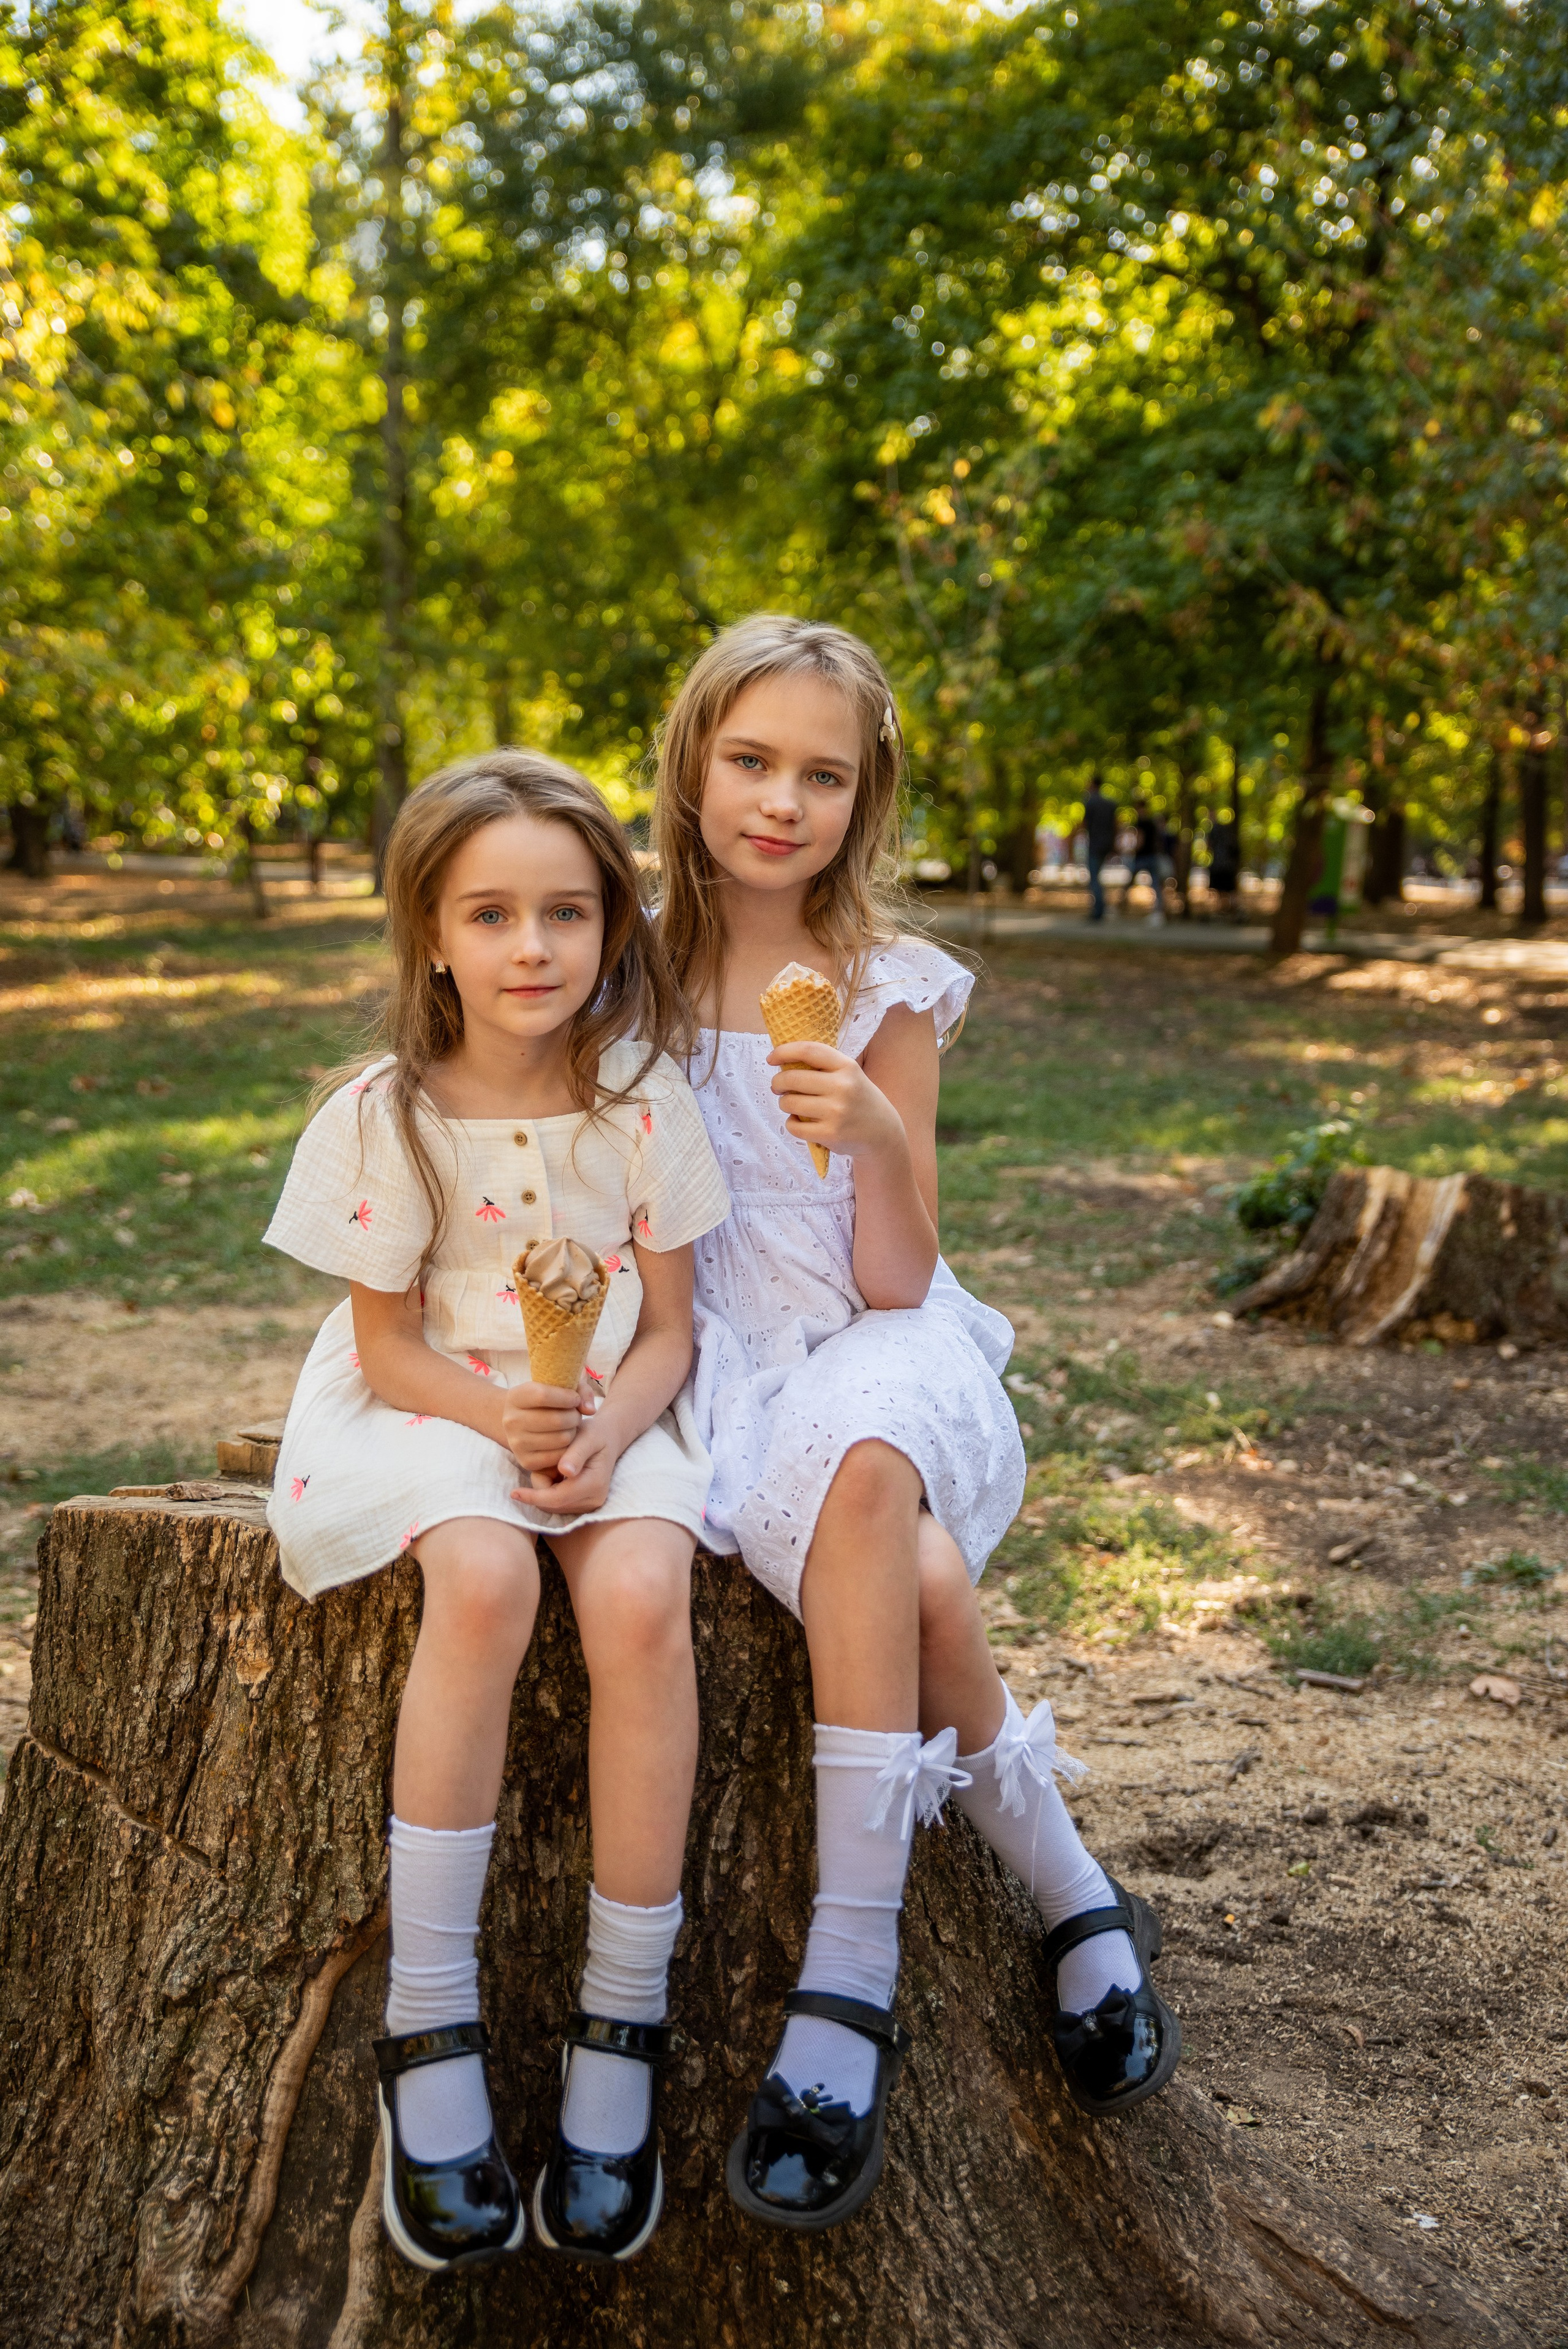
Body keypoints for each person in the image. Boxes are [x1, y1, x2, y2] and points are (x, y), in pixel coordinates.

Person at [654, 616, 1178, 2234]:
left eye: (824, 772)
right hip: (717, 1368)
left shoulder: (888, 987)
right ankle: (1077, 1892)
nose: (781, 799)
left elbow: (898, 1272)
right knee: (924, 1584)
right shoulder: (630, 967)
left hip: (880, 1342)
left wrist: (876, 1128)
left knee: (877, 1461)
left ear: (865, 795)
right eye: (752, 760)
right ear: (692, 764)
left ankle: (849, 1973)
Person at [263, 751, 729, 2272]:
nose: (531, 946)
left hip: (610, 1404)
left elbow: (668, 1329)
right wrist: (497, 1415)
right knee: (479, 1579)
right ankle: (432, 2006)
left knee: (638, 1596)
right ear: (431, 932)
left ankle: (622, 2013)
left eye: (566, 911)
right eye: (490, 913)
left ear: (612, 924)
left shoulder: (642, 1104)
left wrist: (607, 1427)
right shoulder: (384, 1115)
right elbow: (388, 1342)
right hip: (428, 1404)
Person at [1080, 774, 1118, 922]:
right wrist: (1113, 844)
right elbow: (1116, 825)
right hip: (1106, 844)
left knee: (1094, 878)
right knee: (1097, 877)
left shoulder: (1090, 802)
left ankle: (1098, 911)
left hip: (1095, 845)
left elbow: (1085, 824)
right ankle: (1100, 908)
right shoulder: (1110, 804)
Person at [1125, 802, 1166, 924]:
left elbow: (1140, 840)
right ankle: (1159, 911)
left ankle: (1119, 906)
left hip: (1143, 857)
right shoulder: (1152, 823)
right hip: (1152, 856)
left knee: (1130, 881)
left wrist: (1133, 850)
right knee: (1155, 885)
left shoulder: (1142, 823)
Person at [1206, 810, 1240, 919]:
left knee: (1221, 889)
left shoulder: (1215, 831)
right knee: (1229, 890)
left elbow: (1209, 846)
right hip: (1228, 866)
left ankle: (1225, 911)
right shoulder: (1229, 833)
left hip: (1219, 865)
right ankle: (1230, 911)